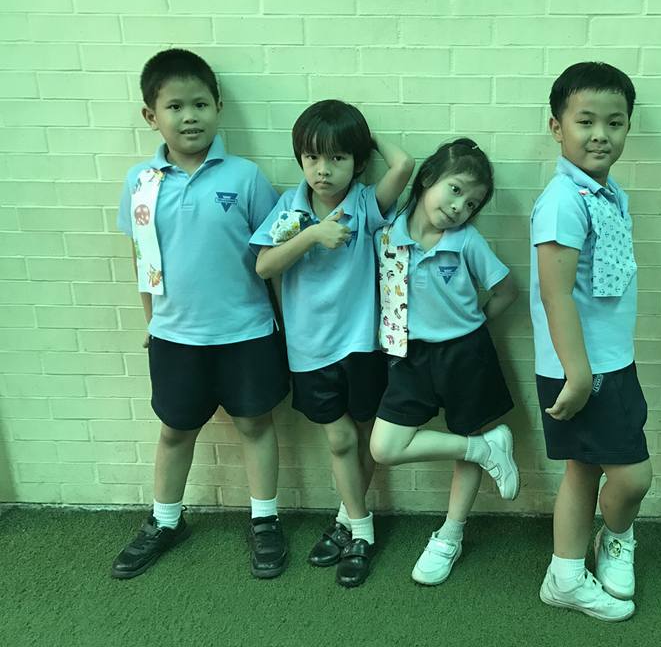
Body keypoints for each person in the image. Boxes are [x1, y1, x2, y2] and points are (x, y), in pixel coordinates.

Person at [112, 49, 290, 580]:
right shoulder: (141, 182)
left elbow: (273, 257)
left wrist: (283, 323)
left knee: (254, 424)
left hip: (247, 332)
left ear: (218, 107)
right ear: (152, 116)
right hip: (175, 336)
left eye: (200, 104)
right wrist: (150, 320)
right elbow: (141, 256)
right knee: (175, 430)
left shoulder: (247, 176)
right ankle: (165, 521)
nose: (189, 116)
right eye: (175, 106)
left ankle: (265, 519)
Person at [251, 99, 413, 588]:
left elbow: (403, 166)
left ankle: (349, 522)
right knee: (340, 438)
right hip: (309, 348)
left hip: (361, 344)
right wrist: (312, 236)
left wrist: (365, 139)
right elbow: (264, 265)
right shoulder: (291, 207)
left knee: (365, 437)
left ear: (357, 162)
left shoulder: (364, 203)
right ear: (300, 159)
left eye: (338, 158)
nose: (323, 169)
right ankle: (361, 527)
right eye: (312, 157)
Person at [368, 138, 520, 586]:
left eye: (471, 203)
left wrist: (474, 326)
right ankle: (485, 449)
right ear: (428, 180)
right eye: (455, 190)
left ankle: (450, 535)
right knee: (385, 448)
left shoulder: (466, 241)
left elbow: (506, 291)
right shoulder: (386, 236)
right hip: (408, 357)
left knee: (468, 429)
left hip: (466, 354)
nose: (459, 207)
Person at [531, 62, 651, 622]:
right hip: (581, 368)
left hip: (610, 360)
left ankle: (565, 575)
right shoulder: (564, 199)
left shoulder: (606, 192)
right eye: (585, 122)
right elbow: (555, 294)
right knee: (633, 477)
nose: (601, 134)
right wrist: (578, 374)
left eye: (615, 122)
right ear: (557, 127)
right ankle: (616, 537)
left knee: (583, 469)